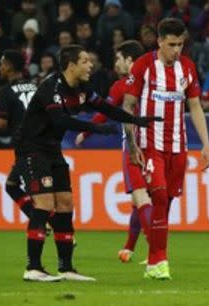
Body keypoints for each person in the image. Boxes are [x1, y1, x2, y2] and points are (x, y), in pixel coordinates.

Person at [14, 44, 161, 282]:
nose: (90, 65)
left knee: (65, 203)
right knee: (43, 203)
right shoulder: (51, 87)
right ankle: (33, 267)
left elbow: (107, 108)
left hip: (52, 150)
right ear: (71, 65)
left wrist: (137, 120)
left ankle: (66, 268)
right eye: (85, 61)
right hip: (32, 149)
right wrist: (95, 128)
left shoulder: (81, 88)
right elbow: (60, 121)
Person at [123, 18, 209, 280]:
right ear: (159, 41)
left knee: (167, 202)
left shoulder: (188, 68)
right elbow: (128, 106)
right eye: (172, 44)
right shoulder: (143, 66)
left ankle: (154, 263)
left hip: (178, 146)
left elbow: (195, 106)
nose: (176, 51)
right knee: (158, 196)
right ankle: (160, 260)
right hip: (151, 145)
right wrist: (132, 144)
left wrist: (206, 143)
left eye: (180, 45)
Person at [75, 40, 152, 263]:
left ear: (130, 60)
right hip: (156, 146)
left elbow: (104, 111)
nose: (116, 63)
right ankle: (129, 247)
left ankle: (156, 251)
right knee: (141, 201)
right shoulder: (153, 81)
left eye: (119, 58)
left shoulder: (122, 85)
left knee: (140, 196)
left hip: (133, 147)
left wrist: (86, 132)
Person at [0, 50, 40, 221]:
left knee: (39, 196)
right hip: (41, 143)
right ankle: (39, 219)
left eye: (3, 63)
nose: (0, 67)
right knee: (12, 185)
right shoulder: (35, 86)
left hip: (26, 148)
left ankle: (55, 228)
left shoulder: (5, 92)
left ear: (10, 66)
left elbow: (3, 124)